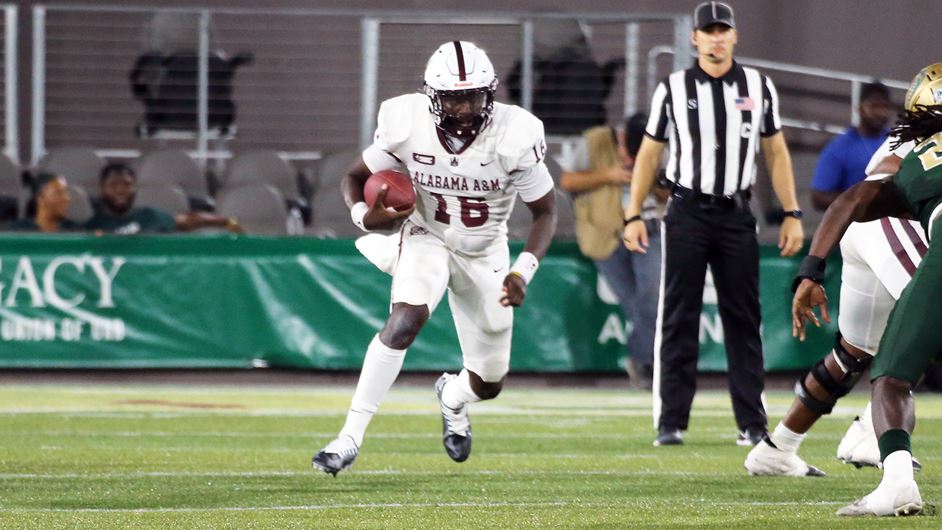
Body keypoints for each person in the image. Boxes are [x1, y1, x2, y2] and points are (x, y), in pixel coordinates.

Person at [312, 41, 557, 476]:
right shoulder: (405, 121)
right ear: (432, 96)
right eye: (453, 97)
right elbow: (355, 177)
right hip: (426, 236)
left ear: (491, 94)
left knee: (489, 383)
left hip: (485, 253)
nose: (464, 108)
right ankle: (348, 437)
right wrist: (367, 217)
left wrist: (522, 271)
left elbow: (545, 212)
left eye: (474, 96)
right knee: (405, 321)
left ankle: (452, 397)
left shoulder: (516, 133)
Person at [623, 1, 804, 447]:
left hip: (736, 213)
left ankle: (751, 422)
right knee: (678, 315)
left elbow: (776, 152)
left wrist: (792, 213)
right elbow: (649, 154)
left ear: (734, 37)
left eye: (724, 30)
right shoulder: (673, 88)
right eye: (710, 30)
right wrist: (632, 213)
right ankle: (671, 421)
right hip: (685, 211)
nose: (717, 38)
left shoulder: (759, 87)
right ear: (695, 38)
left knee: (744, 318)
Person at [791, 61, 942, 516]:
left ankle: (894, 478)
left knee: (892, 376)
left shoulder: (914, 152)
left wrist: (811, 270)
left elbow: (853, 198)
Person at [746, 132, 924, 477]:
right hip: (889, 226)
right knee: (929, 320)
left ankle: (777, 448)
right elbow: (867, 188)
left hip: (871, 231)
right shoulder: (922, 140)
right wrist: (810, 271)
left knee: (852, 353)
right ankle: (873, 432)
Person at [560, 113, 663, 388]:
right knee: (634, 304)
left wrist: (651, 177)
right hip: (605, 235)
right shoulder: (594, 140)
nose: (629, 160)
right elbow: (568, 181)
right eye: (627, 153)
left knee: (651, 299)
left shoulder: (662, 144)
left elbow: (672, 193)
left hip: (647, 230)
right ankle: (648, 362)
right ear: (620, 138)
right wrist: (609, 175)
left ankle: (644, 364)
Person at [505, 19, 622, 135]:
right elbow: (600, 92)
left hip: (551, 124)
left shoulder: (549, 67)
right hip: (585, 126)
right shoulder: (583, 66)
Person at [84, 163, 242, 234]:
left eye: (127, 184)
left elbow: (188, 220)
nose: (120, 190)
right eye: (113, 185)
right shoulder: (93, 225)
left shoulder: (150, 216)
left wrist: (226, 221)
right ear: (102, 189)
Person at [810, 82, 892, 211]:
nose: (880, 113)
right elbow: (818, 197)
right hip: (854, 224)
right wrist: (859, 201)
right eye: (874, 107)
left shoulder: (896, 141)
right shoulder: (840, 147)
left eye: (884, 107)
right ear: (859, 109)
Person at [10, 172, 81, 232]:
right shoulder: (19, 231)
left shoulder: (74, 231)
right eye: (58, 193)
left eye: (66, 192)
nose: (67, 198)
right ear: (40, 198)